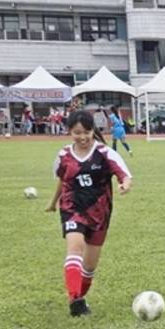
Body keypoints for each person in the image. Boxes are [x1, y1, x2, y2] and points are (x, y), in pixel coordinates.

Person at [46, 110, 133, 317]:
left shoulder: (104, 153)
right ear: (70, 132)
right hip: (72, 208)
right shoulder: (63, 156)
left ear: (93, 130)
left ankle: (78, 298)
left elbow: (124, 175)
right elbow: (63, 180)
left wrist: (125, 185)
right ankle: (75, 298)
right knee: (74, 249)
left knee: (89, 267)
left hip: (99, 213)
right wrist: (53, 202)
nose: (82, 137)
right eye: (77, 133)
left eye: (86, 132)